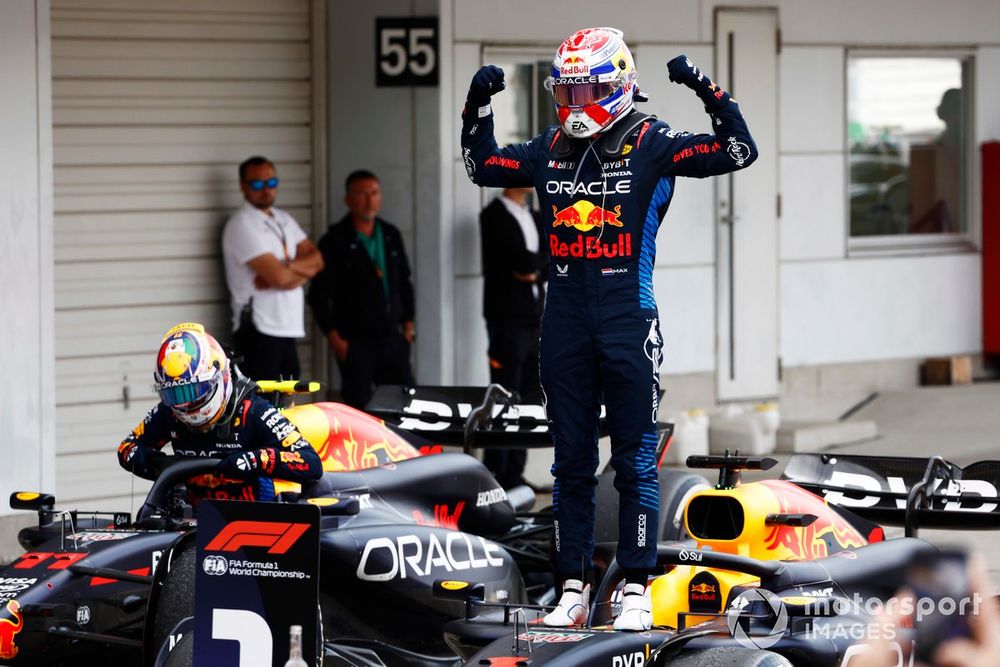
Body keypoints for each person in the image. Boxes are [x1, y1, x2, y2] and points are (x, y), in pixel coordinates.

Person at [460, 27, 757, 631]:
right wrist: (477, 104)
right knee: (568, 465)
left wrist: (704, 86)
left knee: (634, 463)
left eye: (586, 90)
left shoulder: (652, 140)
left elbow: (739, 150)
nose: (572, 106)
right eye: (565, 92)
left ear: (618, 85)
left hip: (628, 316)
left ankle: (637, 588)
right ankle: (571, 584)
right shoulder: (548, 148)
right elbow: (481, 166)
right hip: (563, 319)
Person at [117, 322, 323, 504]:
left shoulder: (253, 412)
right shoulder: (169, 413)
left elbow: (311, 463)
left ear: (220, 378)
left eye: (193, 390)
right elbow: (127, 449)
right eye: (176, 393)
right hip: (195, 523)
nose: (185, 403)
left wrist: (254, 459)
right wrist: (160, 465)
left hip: (255, 520)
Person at [307, 170, 416, 409]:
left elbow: (405, 283)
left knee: (404, 405)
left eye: (374, 193)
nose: (369, 200)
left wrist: (408, 328)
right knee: (360, 409)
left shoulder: (390, 234)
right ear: (348, 200)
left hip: (393, 338)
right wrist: (336, 340)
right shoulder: (335, 240)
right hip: (355, 343)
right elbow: (317, 295)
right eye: (362, 194)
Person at [222, 156, 324, 381]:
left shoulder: (283, 218)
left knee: (288, 400)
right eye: (257, 184)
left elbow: (318, 260)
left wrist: (289, 267)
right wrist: (295, 272)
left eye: (271, 183)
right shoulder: (242, 224)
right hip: (260, 329)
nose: (266, 190)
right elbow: (280, 279)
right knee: (261, 405)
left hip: (287, 326)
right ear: (242, 186)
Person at [480, 187, 547, 489]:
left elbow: (552, 257)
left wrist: (536, 270)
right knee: (504, 393)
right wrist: (534, 267)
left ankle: (515, 472)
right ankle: (495, 470)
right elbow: (522, 262)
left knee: (528, 396)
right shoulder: (493, 216)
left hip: (536, 317)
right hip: (507, 318)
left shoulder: (533, 215)